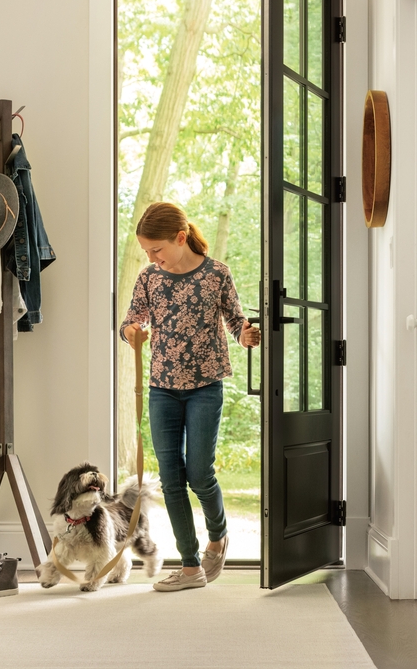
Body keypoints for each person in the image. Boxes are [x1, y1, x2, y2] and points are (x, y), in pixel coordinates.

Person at [120, 201, 261, 592]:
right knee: (171, 478)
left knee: (199, 473)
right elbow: (131, 320)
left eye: (156, 249)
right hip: (162, 388)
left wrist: (246, 335)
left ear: (180, 238)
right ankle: (189, 566)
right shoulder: (150, 278)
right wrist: (132, 333)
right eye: (146, 251)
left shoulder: (217, 274)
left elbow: (235, 321)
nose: (151, 258)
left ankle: (218, 537)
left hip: (205, 387)